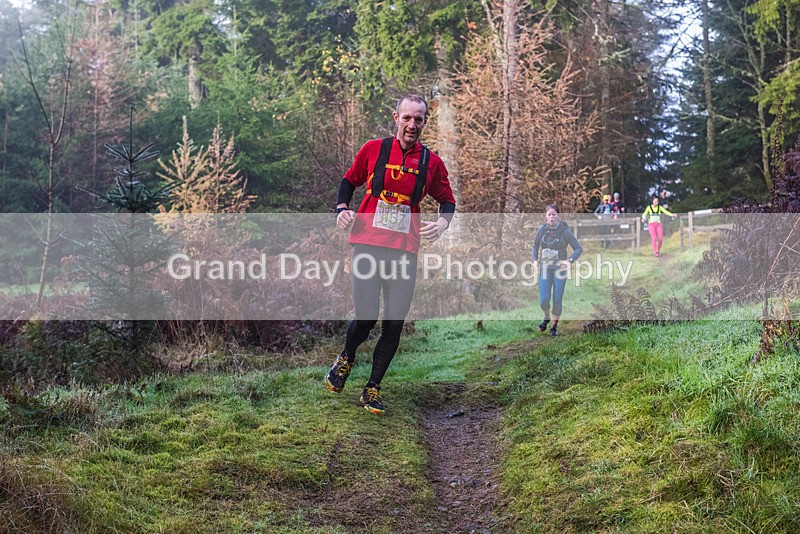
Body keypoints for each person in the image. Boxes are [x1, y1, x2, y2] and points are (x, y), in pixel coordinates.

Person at [324, 95, 456, 415]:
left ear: (425, 122)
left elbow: (447, 201)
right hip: (368, 244)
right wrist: (342, 208)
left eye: (419, 119)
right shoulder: (374, 149)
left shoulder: (432, 163)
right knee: (367, 315)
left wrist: (442, 223)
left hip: (404, 251)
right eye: (407, 118)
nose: (412, 125)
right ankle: (346, 358)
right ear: (396, 118)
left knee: (394, 323)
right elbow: (348, 181)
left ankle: (372, 387)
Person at [532, 205, 583, 337]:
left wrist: (569, 260)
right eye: (549, 214)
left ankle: (554, 326)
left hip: (560, 269)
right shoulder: (542, 230)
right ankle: (546, 317)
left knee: (557, 299)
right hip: (545, 269)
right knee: (544, 299)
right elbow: (535, 246)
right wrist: (535, 260)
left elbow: (578, 248)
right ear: (546, 216)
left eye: (554, 214)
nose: (551, 217)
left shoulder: (565, 231)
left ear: (558, 215)